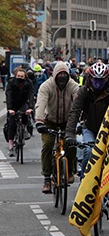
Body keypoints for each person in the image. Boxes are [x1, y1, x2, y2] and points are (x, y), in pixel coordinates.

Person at [66, 61, 109, 223]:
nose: (98, 84)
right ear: (90, 78)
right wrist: (70, 133)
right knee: (88, 151)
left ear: (107, 79)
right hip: (90, 128)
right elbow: (75, 112)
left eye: (101, 81)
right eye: (95, 80)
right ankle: (85, 184)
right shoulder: (84, 91)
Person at [35, 62, 79, 193]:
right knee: (47, 145)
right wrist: (39, 121)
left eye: (65, 74)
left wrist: (81, 120)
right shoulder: (46, 86)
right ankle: (47, 178)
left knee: (71, 144)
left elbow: (79, 103)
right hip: (50, 121)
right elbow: (41, 103)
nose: (62, 77)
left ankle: (69, 170)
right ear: (54, 75)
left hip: (68, 121)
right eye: (59, 74)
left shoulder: (73, 86)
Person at [5, 67, 34, 155]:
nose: (20, 78)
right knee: (12, 124)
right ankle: (10, 146)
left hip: (23, 103)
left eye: (22, 76)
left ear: (25, 77)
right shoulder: (11, 82)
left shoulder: (29, 83)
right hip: (13, 104)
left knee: (25, 113)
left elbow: (31, 95)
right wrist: (9, 108)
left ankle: (24, 129)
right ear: (15, 75)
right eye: (18, 76)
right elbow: (8, 95)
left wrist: (30, 107)